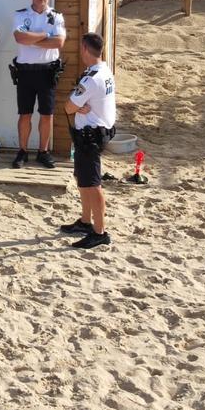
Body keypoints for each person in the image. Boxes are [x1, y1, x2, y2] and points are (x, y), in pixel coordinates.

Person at [61, 33, 117, 249]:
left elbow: (68, 107)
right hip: (94, 132)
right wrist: (80, 105)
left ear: (84, 48)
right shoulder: (104, 70)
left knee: (93, 184)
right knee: (82, 178)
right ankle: (86, 221)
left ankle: (100, 232)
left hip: (90, 136)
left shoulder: (91, 78)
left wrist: (77, 106)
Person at [10, 0, 66, 169]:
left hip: (47, 72)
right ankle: (23, 151)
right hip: (25, 72)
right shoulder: (20, 15)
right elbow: (19, 37)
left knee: (46, 114)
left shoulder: (56, 16)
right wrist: (44, 35)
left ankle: (43, 151)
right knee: (24, 114)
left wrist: (31, 38)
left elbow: (58, 42)